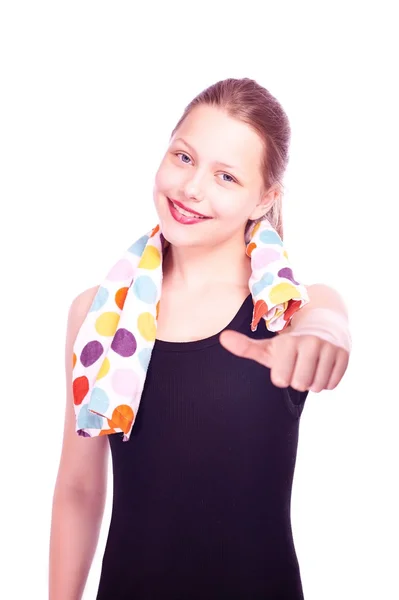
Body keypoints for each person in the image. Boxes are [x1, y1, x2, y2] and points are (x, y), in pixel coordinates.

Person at [49, 78, 351, 599]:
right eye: (184, 157)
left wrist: (321, 339)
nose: (191, 188)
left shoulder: (289, 308)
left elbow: (329, 325)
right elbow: (78, 488)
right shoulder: (97, 314)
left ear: (265, 200)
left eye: (226, 176)